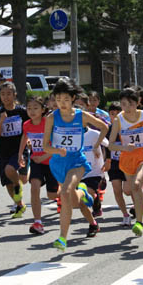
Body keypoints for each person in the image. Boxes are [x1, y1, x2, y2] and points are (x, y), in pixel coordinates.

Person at [42, 78, 108, 252]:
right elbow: (45, 146)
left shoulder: (81, 115)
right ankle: (84, 196)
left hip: (77, 162)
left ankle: (62, 238)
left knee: (64, 194)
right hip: (58, 163)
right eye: (58, 100)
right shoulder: (51, 118)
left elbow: (104, 127)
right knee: (72, 200)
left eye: (65, 100)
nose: (61, 104)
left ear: (72, 98)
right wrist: (57, 151)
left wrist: (96, 145)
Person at [108, 88, 143, 237]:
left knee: (137, 184)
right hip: (127, 158)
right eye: (124, 104)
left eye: (131, 104)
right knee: (131, 190)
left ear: (137, 103)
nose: (127, 108)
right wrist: (123, 147)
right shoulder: (119, 119)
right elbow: (110, 144)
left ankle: (139, 223)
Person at [18, 96, 57, 235]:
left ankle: (64, 196)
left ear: (43, 110)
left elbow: (56, 145)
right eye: (29, 108)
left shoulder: (49, 123)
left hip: (51, 161)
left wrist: (44, 156)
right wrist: (20, 155)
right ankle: (38, 222)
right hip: (37, 162)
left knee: (52, 195)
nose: (32, 111)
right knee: (34, 188)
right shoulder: (27, 124)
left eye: (35, 108)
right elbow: (25, 137)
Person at [0, 83, 30, 218]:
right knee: (6, 182)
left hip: (19, 148)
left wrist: (29, 141)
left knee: (10, 170)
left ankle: (17, 185)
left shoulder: (21, 111)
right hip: (4, 149)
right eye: (3, 94)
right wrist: (2, 121)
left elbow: (29, 128)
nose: (6, 97)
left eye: (9, 94)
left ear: (14, 95)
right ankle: (20, 204)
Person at [80, 120, 109, 237]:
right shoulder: (70, 136)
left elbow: (109, 145)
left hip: (95, 172)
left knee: (86, 194)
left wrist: (108, 160)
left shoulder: (95, 134)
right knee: (80, 201)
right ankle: (93, 223)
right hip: (77, 172)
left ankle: (94, 197)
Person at [104, 102, 131, 226]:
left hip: (128, 162)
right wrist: (106, 160)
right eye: (112, 114)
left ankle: (140, 199)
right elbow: (106, 147)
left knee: (128, 190)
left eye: (117, 114)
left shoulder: (128, 127)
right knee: (116, 189)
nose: (114, 117)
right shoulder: (108, 129)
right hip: (114, 163)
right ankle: (125, 214)